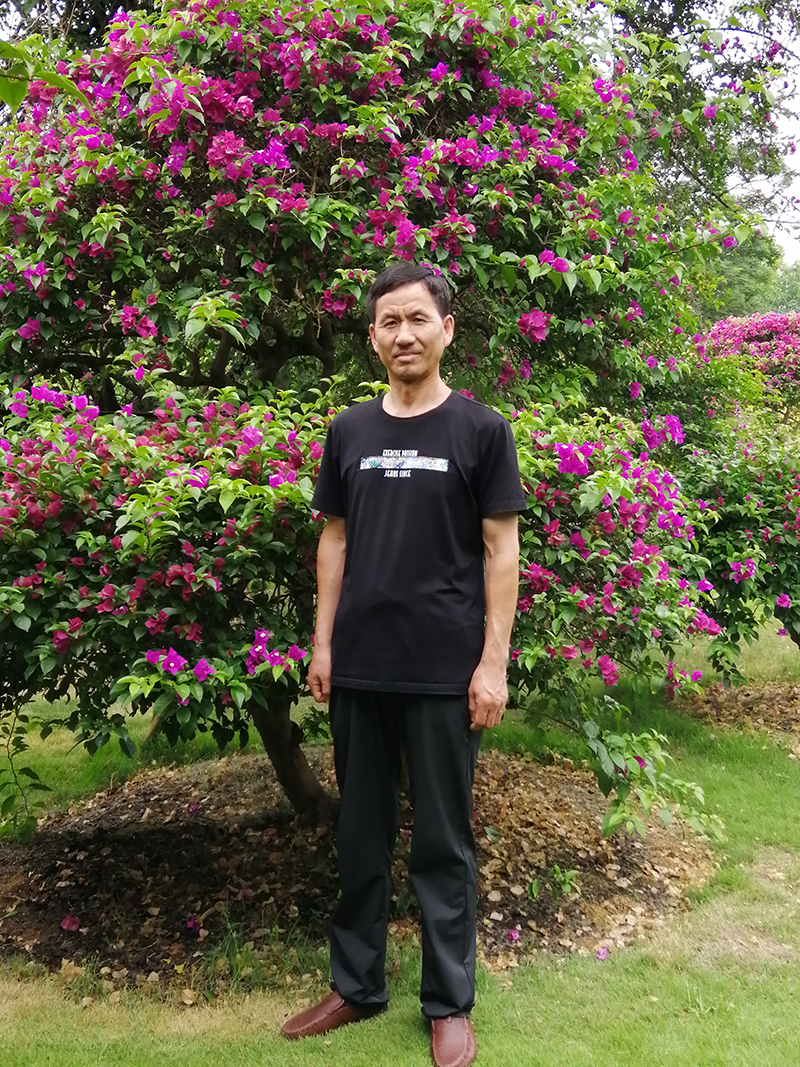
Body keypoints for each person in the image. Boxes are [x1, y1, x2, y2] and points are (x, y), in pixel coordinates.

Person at [281, 262, 526, 1067]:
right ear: (373, 336)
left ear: (447, 328)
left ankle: (449, 1002)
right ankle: (357, 985)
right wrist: (323, 643)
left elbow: (501, 549)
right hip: (361, 666)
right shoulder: (349, 431)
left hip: (444, 673)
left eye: (418, 318)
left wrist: (492, 664)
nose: (404, 334)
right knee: (360, 835)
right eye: (389, 321)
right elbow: (334, 540)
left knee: (443, 843)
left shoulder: (481, 431)